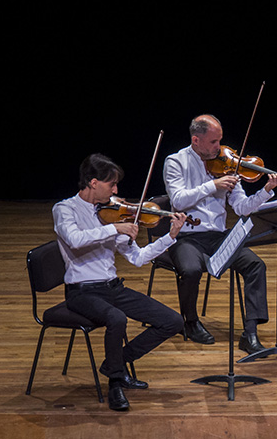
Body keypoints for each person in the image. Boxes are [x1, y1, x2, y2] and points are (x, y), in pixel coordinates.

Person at [53, 153, 187, 411]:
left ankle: (116, 363)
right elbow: (75, 239)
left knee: (172, 321)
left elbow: (137, 258)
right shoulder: (64, 209)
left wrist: (170, 236)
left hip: (112, 287)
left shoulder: (111, 214)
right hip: (82, 292)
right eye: (111, 184)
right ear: (93, 182)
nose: (116, 191)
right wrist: (115, 229)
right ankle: (115, 382)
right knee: (117, 319)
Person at [163, 114, 277, 352]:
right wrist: (212, 186)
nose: (219, 148)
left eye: (220, 141)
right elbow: (177, 199)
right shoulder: (175, 162)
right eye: (213, 142)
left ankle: (250, 331)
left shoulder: (227, 165)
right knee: (190, 269)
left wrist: (266, 190)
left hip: (219, 237)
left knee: (255, 264)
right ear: (196, 140)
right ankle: (190, 321)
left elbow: (241, 208)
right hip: (186, 236)